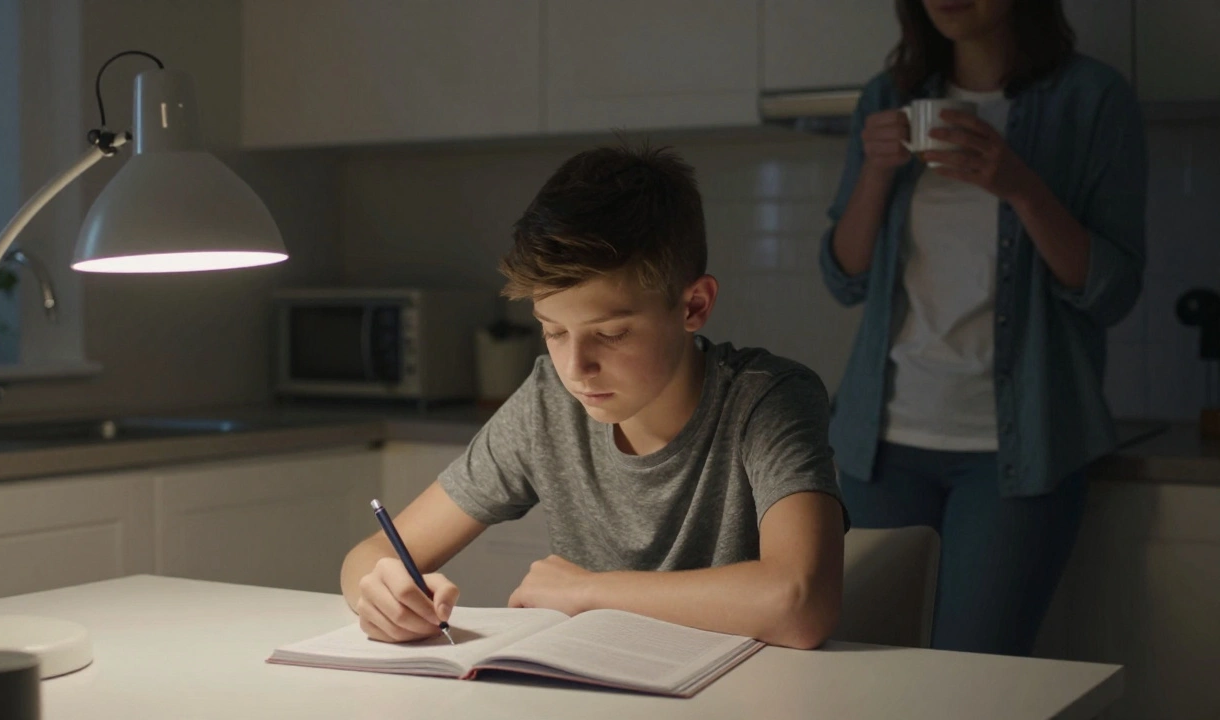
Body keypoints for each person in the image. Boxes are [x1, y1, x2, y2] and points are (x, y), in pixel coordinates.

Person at [341, 142, 847, 649]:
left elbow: (801, 603)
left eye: (611, 334)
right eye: (554, 332)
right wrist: (383, 594)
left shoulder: (768, 400)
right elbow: (370, 555)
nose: (575, 369)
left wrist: (588, 591)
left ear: (693, 306)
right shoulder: (548, 403)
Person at [820, 0, 1145, 656]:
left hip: (1016, 456)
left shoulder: (1093, 98)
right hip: (879, 447)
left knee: (974, 683)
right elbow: (843, 275)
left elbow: (1112, 291)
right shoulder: (889, 98)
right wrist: (878, 171)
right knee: (863, 679)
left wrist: (1021, 185)